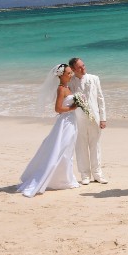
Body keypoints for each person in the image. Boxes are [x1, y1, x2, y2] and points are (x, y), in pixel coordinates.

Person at [17, 64, 81, 198]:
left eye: (71, 73)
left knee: (68, 150)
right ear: (61, 75)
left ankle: (65, 178)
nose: (71, 75)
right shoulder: (61, 89)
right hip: (65, 122)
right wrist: (72, 108)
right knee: (62, 150)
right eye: (68, 73)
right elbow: (57, 109)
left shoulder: (67, 87)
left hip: (71, 121)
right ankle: (61, 179)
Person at [68, 57, 108, 184]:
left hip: (94, 118)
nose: (83, 68)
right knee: (81, 147)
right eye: (79, 67)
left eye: (83, 65)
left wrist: (103, 118)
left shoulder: (94, 78)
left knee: (95, 146)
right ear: (74, 69)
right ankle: (85, 174)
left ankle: (97, 173)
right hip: (78, 119)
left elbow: (100, 99)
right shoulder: (70, 82)